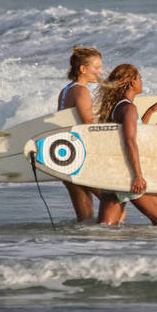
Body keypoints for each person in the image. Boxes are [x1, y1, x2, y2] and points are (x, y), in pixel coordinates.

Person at [95, 64, 157, 226]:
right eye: (139, 78)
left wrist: (151, 111)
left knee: (105, 229)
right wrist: (138, 176)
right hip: (129, 174)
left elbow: (134, 133)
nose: (141, 81)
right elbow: (130, 141)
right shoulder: (129, 108)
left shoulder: (117, 107)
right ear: (132, 82)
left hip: (114, 173)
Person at [57, 46, 104, 221]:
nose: (100, 72)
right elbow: (88, 125)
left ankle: (82, 244)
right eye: (97, 68)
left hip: (66, 156)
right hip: (80, 156)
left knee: (84, 218)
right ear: (83, 69)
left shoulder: (66, 90)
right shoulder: (81, 91)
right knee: (113, 201)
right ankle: (112, 244)